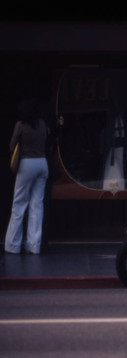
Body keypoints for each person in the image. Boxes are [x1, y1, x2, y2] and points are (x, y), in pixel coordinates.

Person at [5, 97, 50, 254]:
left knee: (19, 204)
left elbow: (11, 146)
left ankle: (12, 245)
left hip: (27, 163)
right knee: (37, 205)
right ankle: (33, 245)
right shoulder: (42, 124)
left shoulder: (20, 125)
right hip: (42, 163)